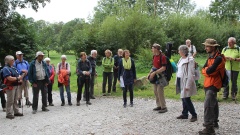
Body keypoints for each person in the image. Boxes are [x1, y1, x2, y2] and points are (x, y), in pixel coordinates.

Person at [199, 39, 226, 135]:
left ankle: (209, 128)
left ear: (213, 47)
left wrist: (206, 71)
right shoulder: (210, 57)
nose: (205, 48)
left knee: (208, 105)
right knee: (213, 102)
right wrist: (206, 71)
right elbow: (204, 69)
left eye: (207, 46)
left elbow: (209, 71)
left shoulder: (219, 58)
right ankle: (214, 122)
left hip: (214, 84)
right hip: (208, 83)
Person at [176, 45, 197, 122]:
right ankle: (185, 114)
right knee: (183, 97)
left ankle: (194, 115)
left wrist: (188, 85)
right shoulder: (181, 59)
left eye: (179, 50)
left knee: (186, 98)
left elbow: (191, 73)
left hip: (186, 80)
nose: (178, 52)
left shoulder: (190, 60)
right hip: (180, 79)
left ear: (182, 51)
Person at [149, 43, 168, 113]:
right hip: (155, 76)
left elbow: (164, 67)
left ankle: (164, 107)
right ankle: (159, 105)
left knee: (160, 91)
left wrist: (155, 72)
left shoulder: (162, 57)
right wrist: (150, 73)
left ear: (156, 49)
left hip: (161, 76)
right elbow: (154, 66)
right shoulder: (154, 56)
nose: (152, 49)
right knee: (155, 91)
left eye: (152, 48)